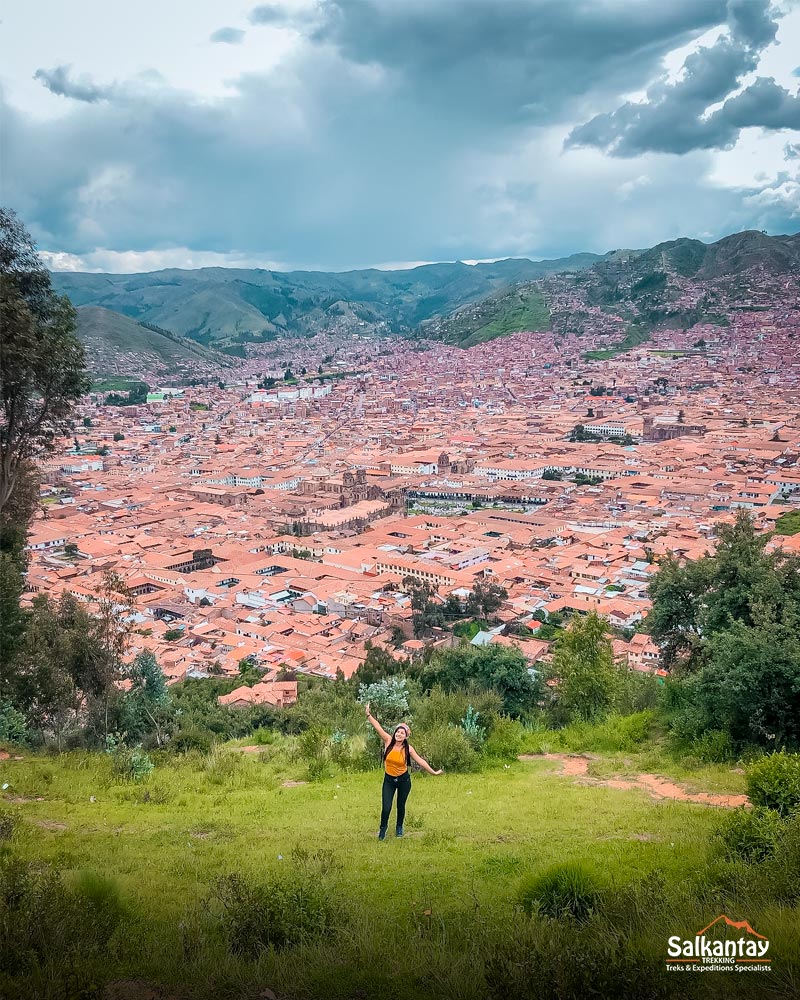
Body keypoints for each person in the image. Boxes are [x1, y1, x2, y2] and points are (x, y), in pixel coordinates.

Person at [365, 700, 443, 840]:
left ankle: (399, 827)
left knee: (401, 805)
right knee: (386, 807)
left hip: (403, 780)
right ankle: (383, 829)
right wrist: (368, 715)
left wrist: (434, 772)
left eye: (402, 733)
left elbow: (421, 761)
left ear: (406, 736)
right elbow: (378, 727)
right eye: (398, 731)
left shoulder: (408, 749)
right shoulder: (388, 741)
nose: (399, 734)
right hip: (388, 780)